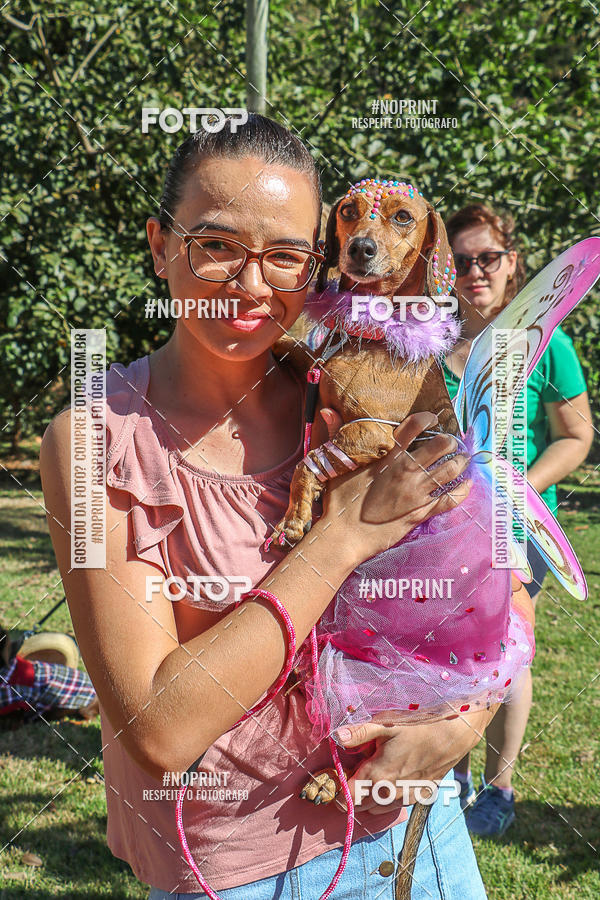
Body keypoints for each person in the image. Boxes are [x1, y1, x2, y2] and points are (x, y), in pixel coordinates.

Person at [40, 116, 533, 899]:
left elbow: (495, 584)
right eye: (216, 243)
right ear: (161, 243)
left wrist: (461, 727)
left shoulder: (354, 392)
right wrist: (340, 540)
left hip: (415, 831)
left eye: (285, 255)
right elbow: (161, 729)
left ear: (320, 264)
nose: (250, 283)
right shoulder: (93, 441)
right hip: (239, 868)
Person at [443, 203, 593, 838]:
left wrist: (515, 489)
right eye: (461, 260)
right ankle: (449, 773)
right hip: (436, 529)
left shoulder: (546, 345)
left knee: (509, 656)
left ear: (514, 265)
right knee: (441, 653)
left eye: (489, 258)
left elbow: (577, 436)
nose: (476, 271)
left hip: (513, 527)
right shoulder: (426, 339)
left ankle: (498, 790)